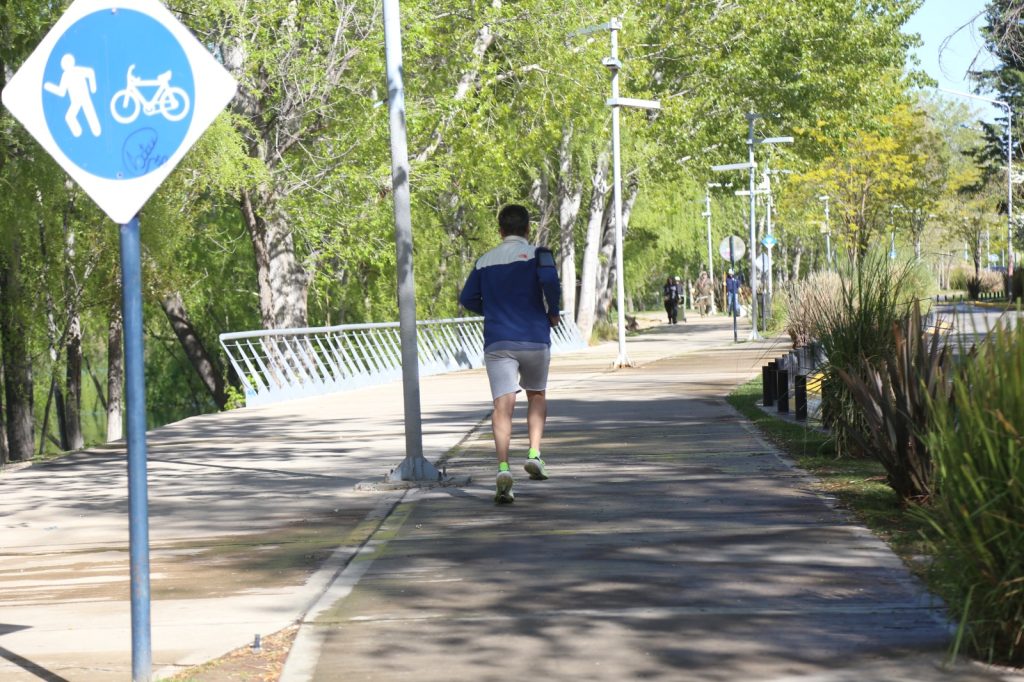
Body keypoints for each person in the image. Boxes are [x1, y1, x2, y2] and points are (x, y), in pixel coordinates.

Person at [459, 204, 561, 504]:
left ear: (500, 230)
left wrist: (491, 310)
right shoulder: (539, 255)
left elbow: (467, 298)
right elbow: (551, 283)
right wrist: (552, 312)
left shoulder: (484, 261)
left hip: (498, 340)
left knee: (502, 405)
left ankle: (503, 468)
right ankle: (534, 455)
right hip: (534, 337)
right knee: (537, 394)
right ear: (528, 229)